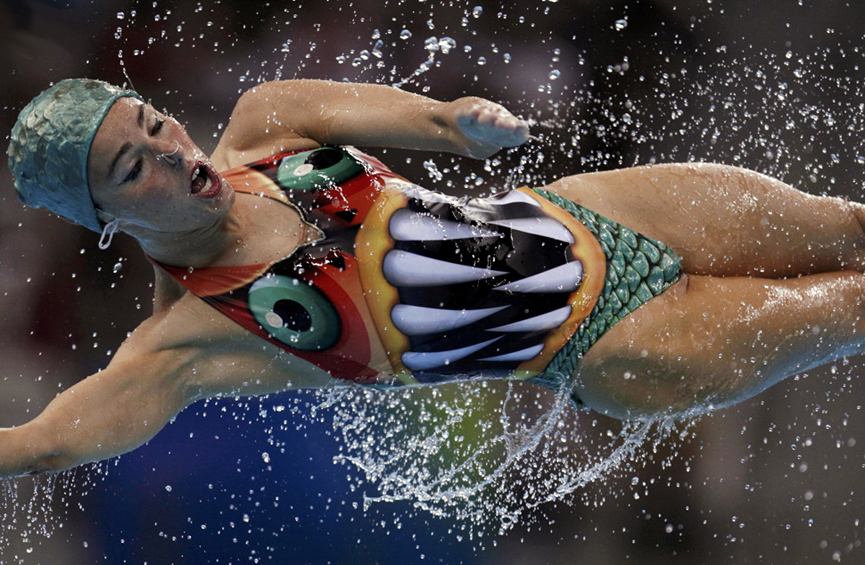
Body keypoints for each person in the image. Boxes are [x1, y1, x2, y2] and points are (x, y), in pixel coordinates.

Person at [3, 78, 865, 479]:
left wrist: (469, 126)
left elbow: (432, 120)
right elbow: (42, 443)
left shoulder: (268, 120)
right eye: (131, 168)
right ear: (104, 219)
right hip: (611, 343)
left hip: (601, 211)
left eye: (154, 122)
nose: (167, 149)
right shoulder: (187, 341)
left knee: (851, 224)